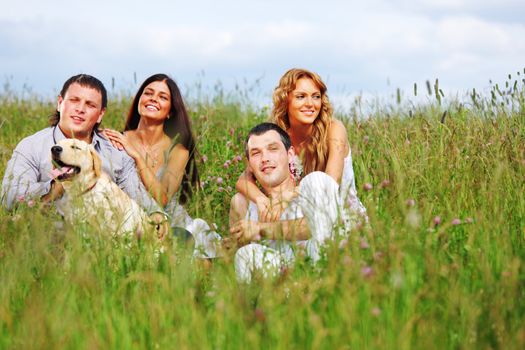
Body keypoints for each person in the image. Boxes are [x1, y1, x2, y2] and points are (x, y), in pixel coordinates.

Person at [1, 74, 159, 213]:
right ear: (60, 103)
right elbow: (8, 198)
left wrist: (158, 217)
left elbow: (143, 203)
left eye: (90, 105)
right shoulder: (31, 146)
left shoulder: (116, 151)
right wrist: (54, 188)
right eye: (74, 100)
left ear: (100, 114)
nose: (80, 109)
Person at [103, 73, 221, 258]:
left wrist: (136, 156)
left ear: (170, 111)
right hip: (128, 222)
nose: (153, 99)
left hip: (172, 224)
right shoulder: (116, 139)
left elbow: (162, 199)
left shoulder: (178, 151)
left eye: (162, 97)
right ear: (140, 99)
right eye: (148, 93)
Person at [234, 68, 367, 223]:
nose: (310, 104)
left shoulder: (334, 129)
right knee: (240, 200)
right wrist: (260, 199)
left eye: (316, 97)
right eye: (301, 97)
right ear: (285, 100)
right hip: (299, 213)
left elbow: (329, 183)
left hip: (338, 214)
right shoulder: (279, 134)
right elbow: (243, 179)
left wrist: (288, 195)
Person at [230, 123, 356, 283]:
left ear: (290, 154)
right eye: (256, 153)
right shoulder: (246, 204)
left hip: (319, 271)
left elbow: (319, 227)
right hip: (280, 281)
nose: (265, 158)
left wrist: (261, 229)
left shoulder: (309, 191)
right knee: (245, 254)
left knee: (318, 180)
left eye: (273, 149)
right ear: (249, 165)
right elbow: (237, 253)